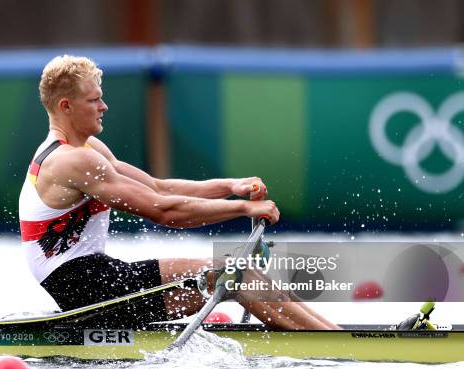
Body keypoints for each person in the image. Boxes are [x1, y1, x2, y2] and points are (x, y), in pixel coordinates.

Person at [19, 55, 339, 330]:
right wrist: (243, 209)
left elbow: (158, 187)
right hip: (88, 290)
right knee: (235, 276)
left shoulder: (88, 149)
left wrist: (231, 187)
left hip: (98, 279)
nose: (104, 106)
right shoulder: (72, 161)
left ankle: (333, 335)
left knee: (239, 274)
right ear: (66, 106)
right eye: (93, 100)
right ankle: (338, 346)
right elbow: (164, 211)